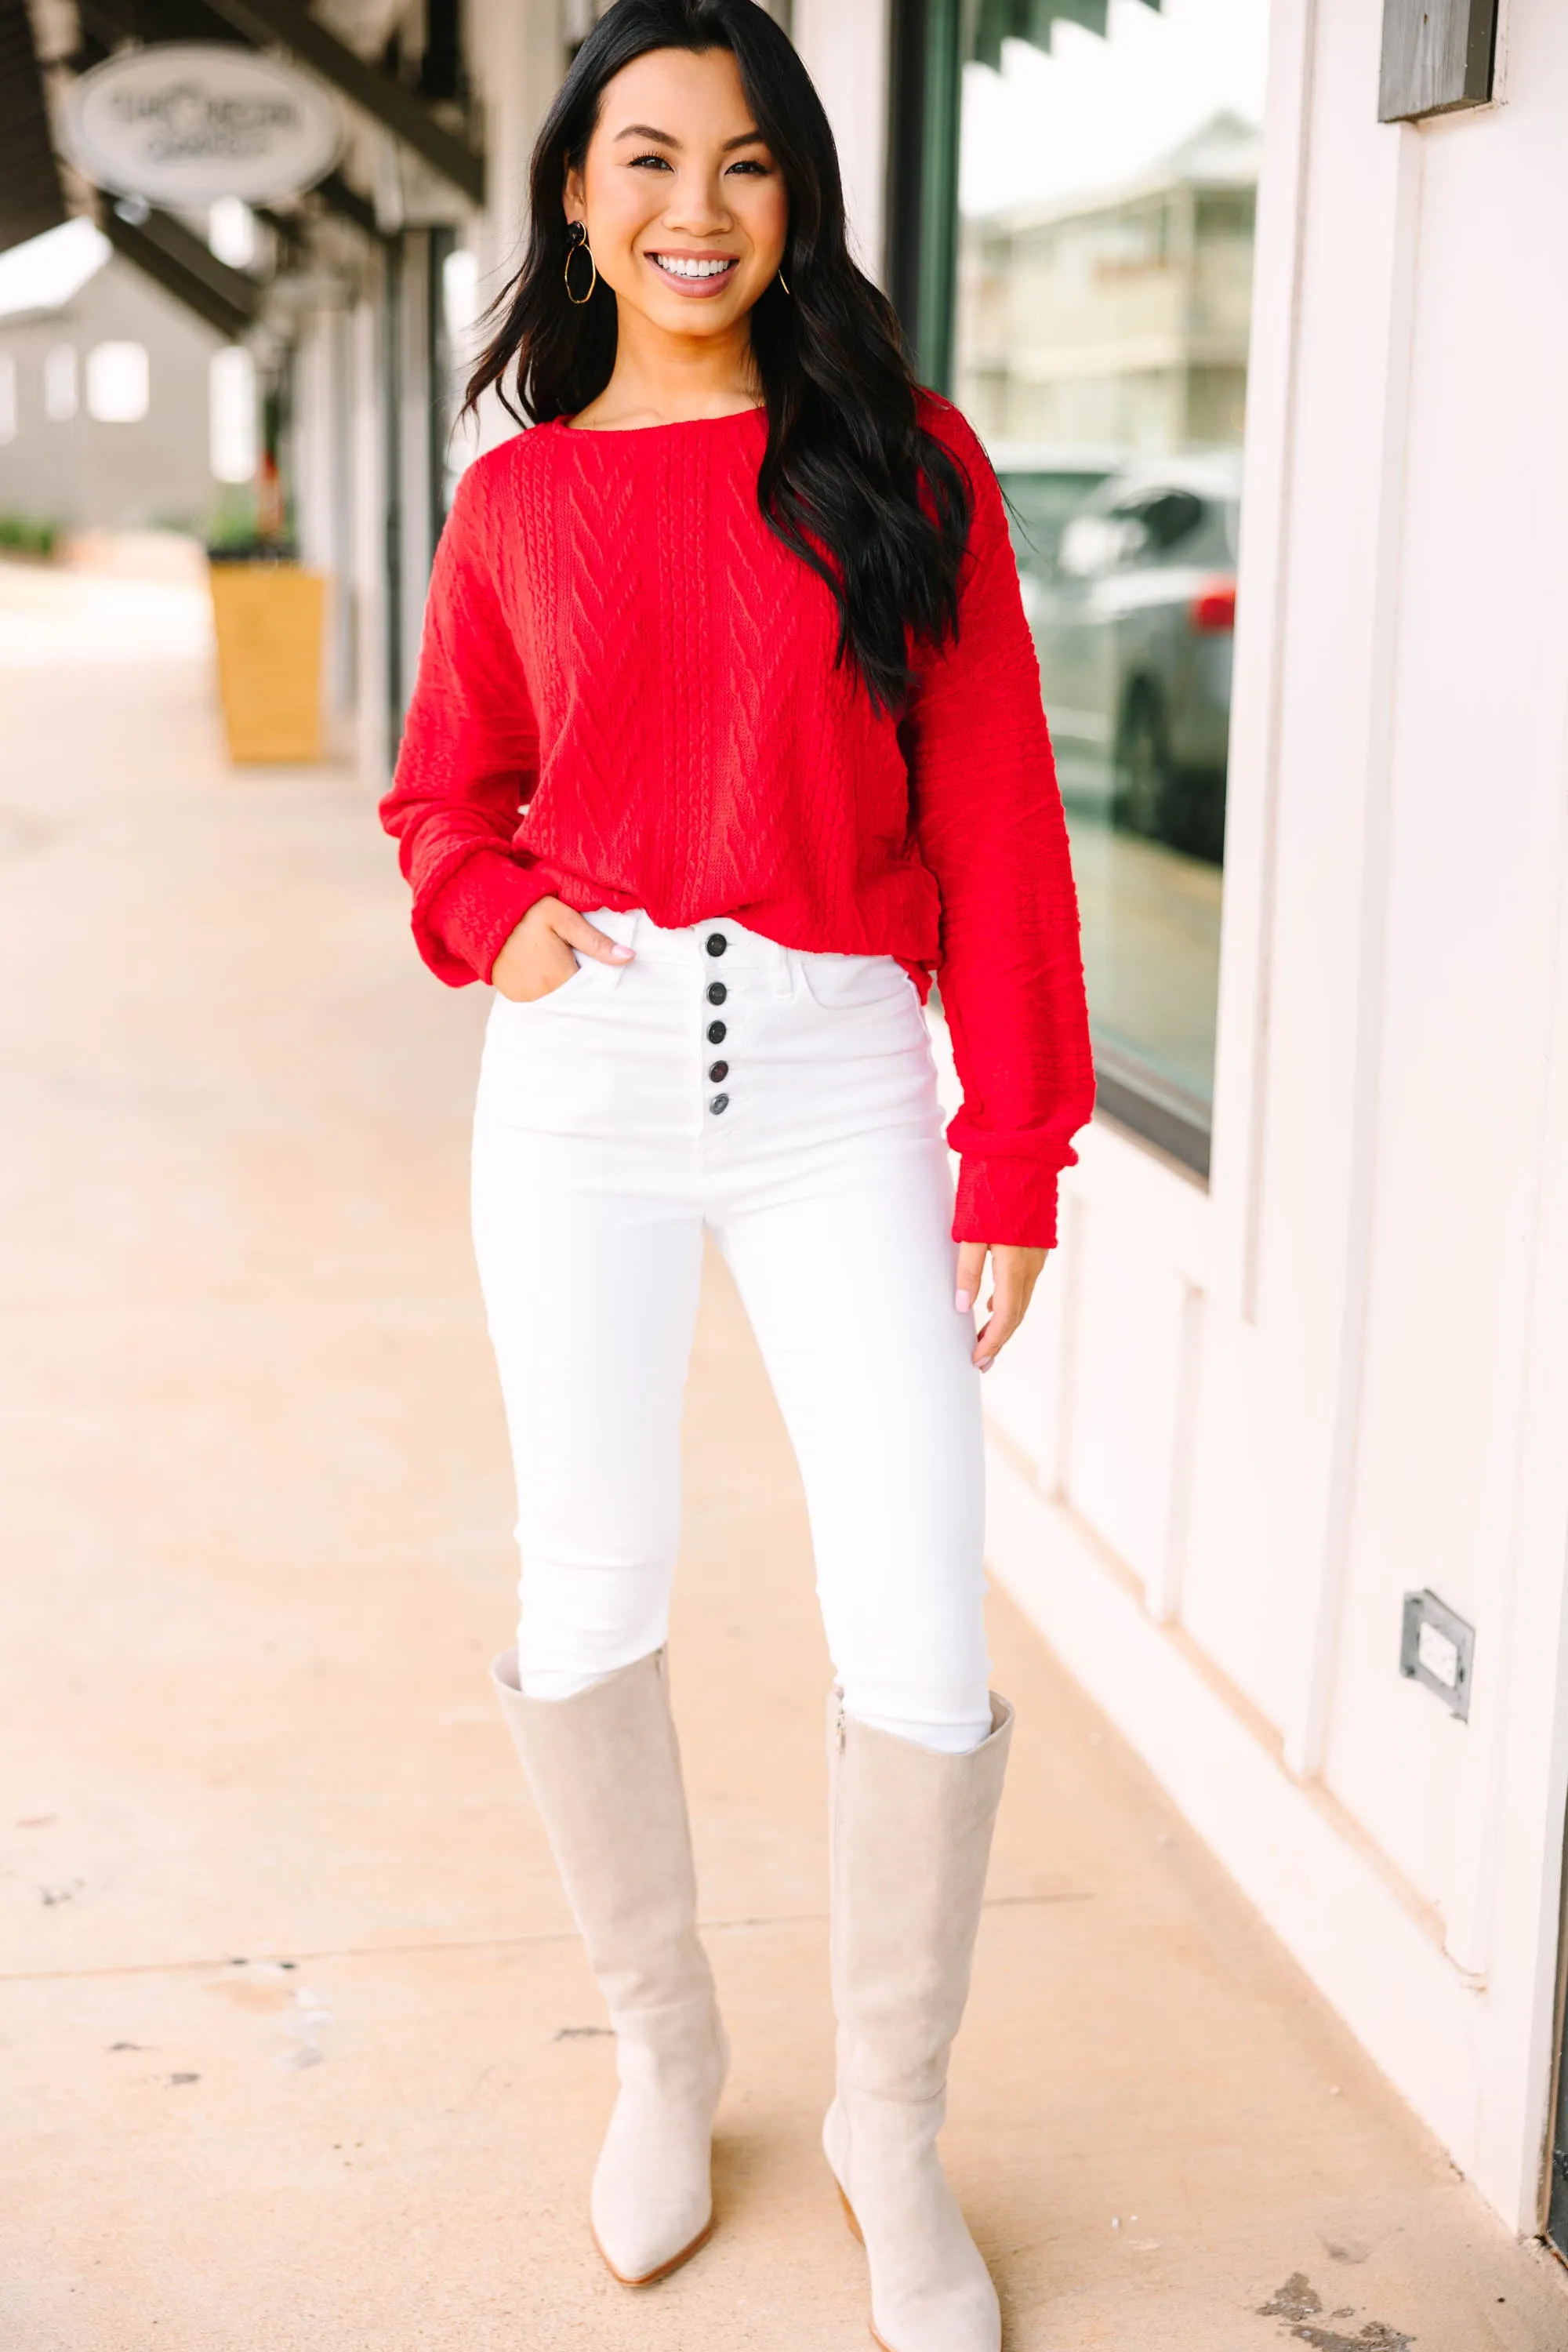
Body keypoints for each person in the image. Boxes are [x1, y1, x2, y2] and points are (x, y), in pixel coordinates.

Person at [380, 4, 1094, 2345]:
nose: (701, 207)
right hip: (578, 1094)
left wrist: (1019, 1143)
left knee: (919, 1604)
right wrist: (502, 918)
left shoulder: (902, 462)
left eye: (753, 163)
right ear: (577, 199)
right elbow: (442, 805)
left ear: (801, 203)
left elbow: (998, 819)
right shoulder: (517, 505)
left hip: (834, 1087)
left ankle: (892, 2127)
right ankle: (665, 2053)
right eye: (651, 160)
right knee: (587, 1576)